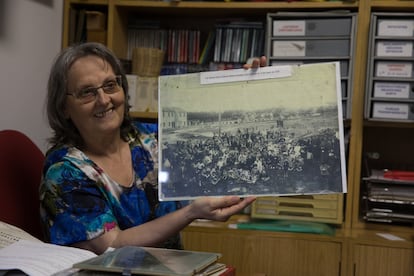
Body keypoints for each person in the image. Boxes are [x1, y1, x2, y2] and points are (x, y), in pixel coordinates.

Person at [40, 42, 264, 255]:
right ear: (64, 107)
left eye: (110, 85)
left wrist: (249, 93)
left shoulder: (150, 139)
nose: (103, 99)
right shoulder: (64, 172)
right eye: (86, 92)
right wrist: (191, 212)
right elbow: (113, 246)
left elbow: (226, 144)